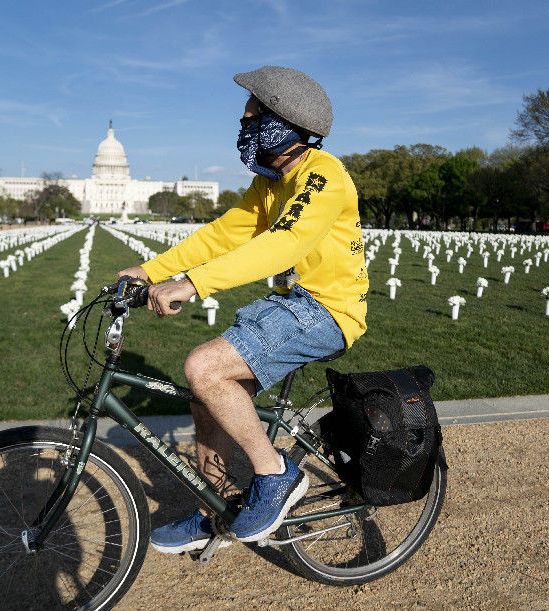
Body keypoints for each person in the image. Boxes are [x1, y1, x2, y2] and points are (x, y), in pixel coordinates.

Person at [117, 66, 368, 553]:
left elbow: (285, 242)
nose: (243, 120)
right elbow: (221, 235)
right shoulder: (271, 184)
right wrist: (149, 271)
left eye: (252, 113)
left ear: (282, 122)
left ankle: (276, 474)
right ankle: (213, 509)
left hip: (329, 310)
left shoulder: (324, 174)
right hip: (294, 303)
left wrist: (191, 285)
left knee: (202, 366)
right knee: (205, 393)